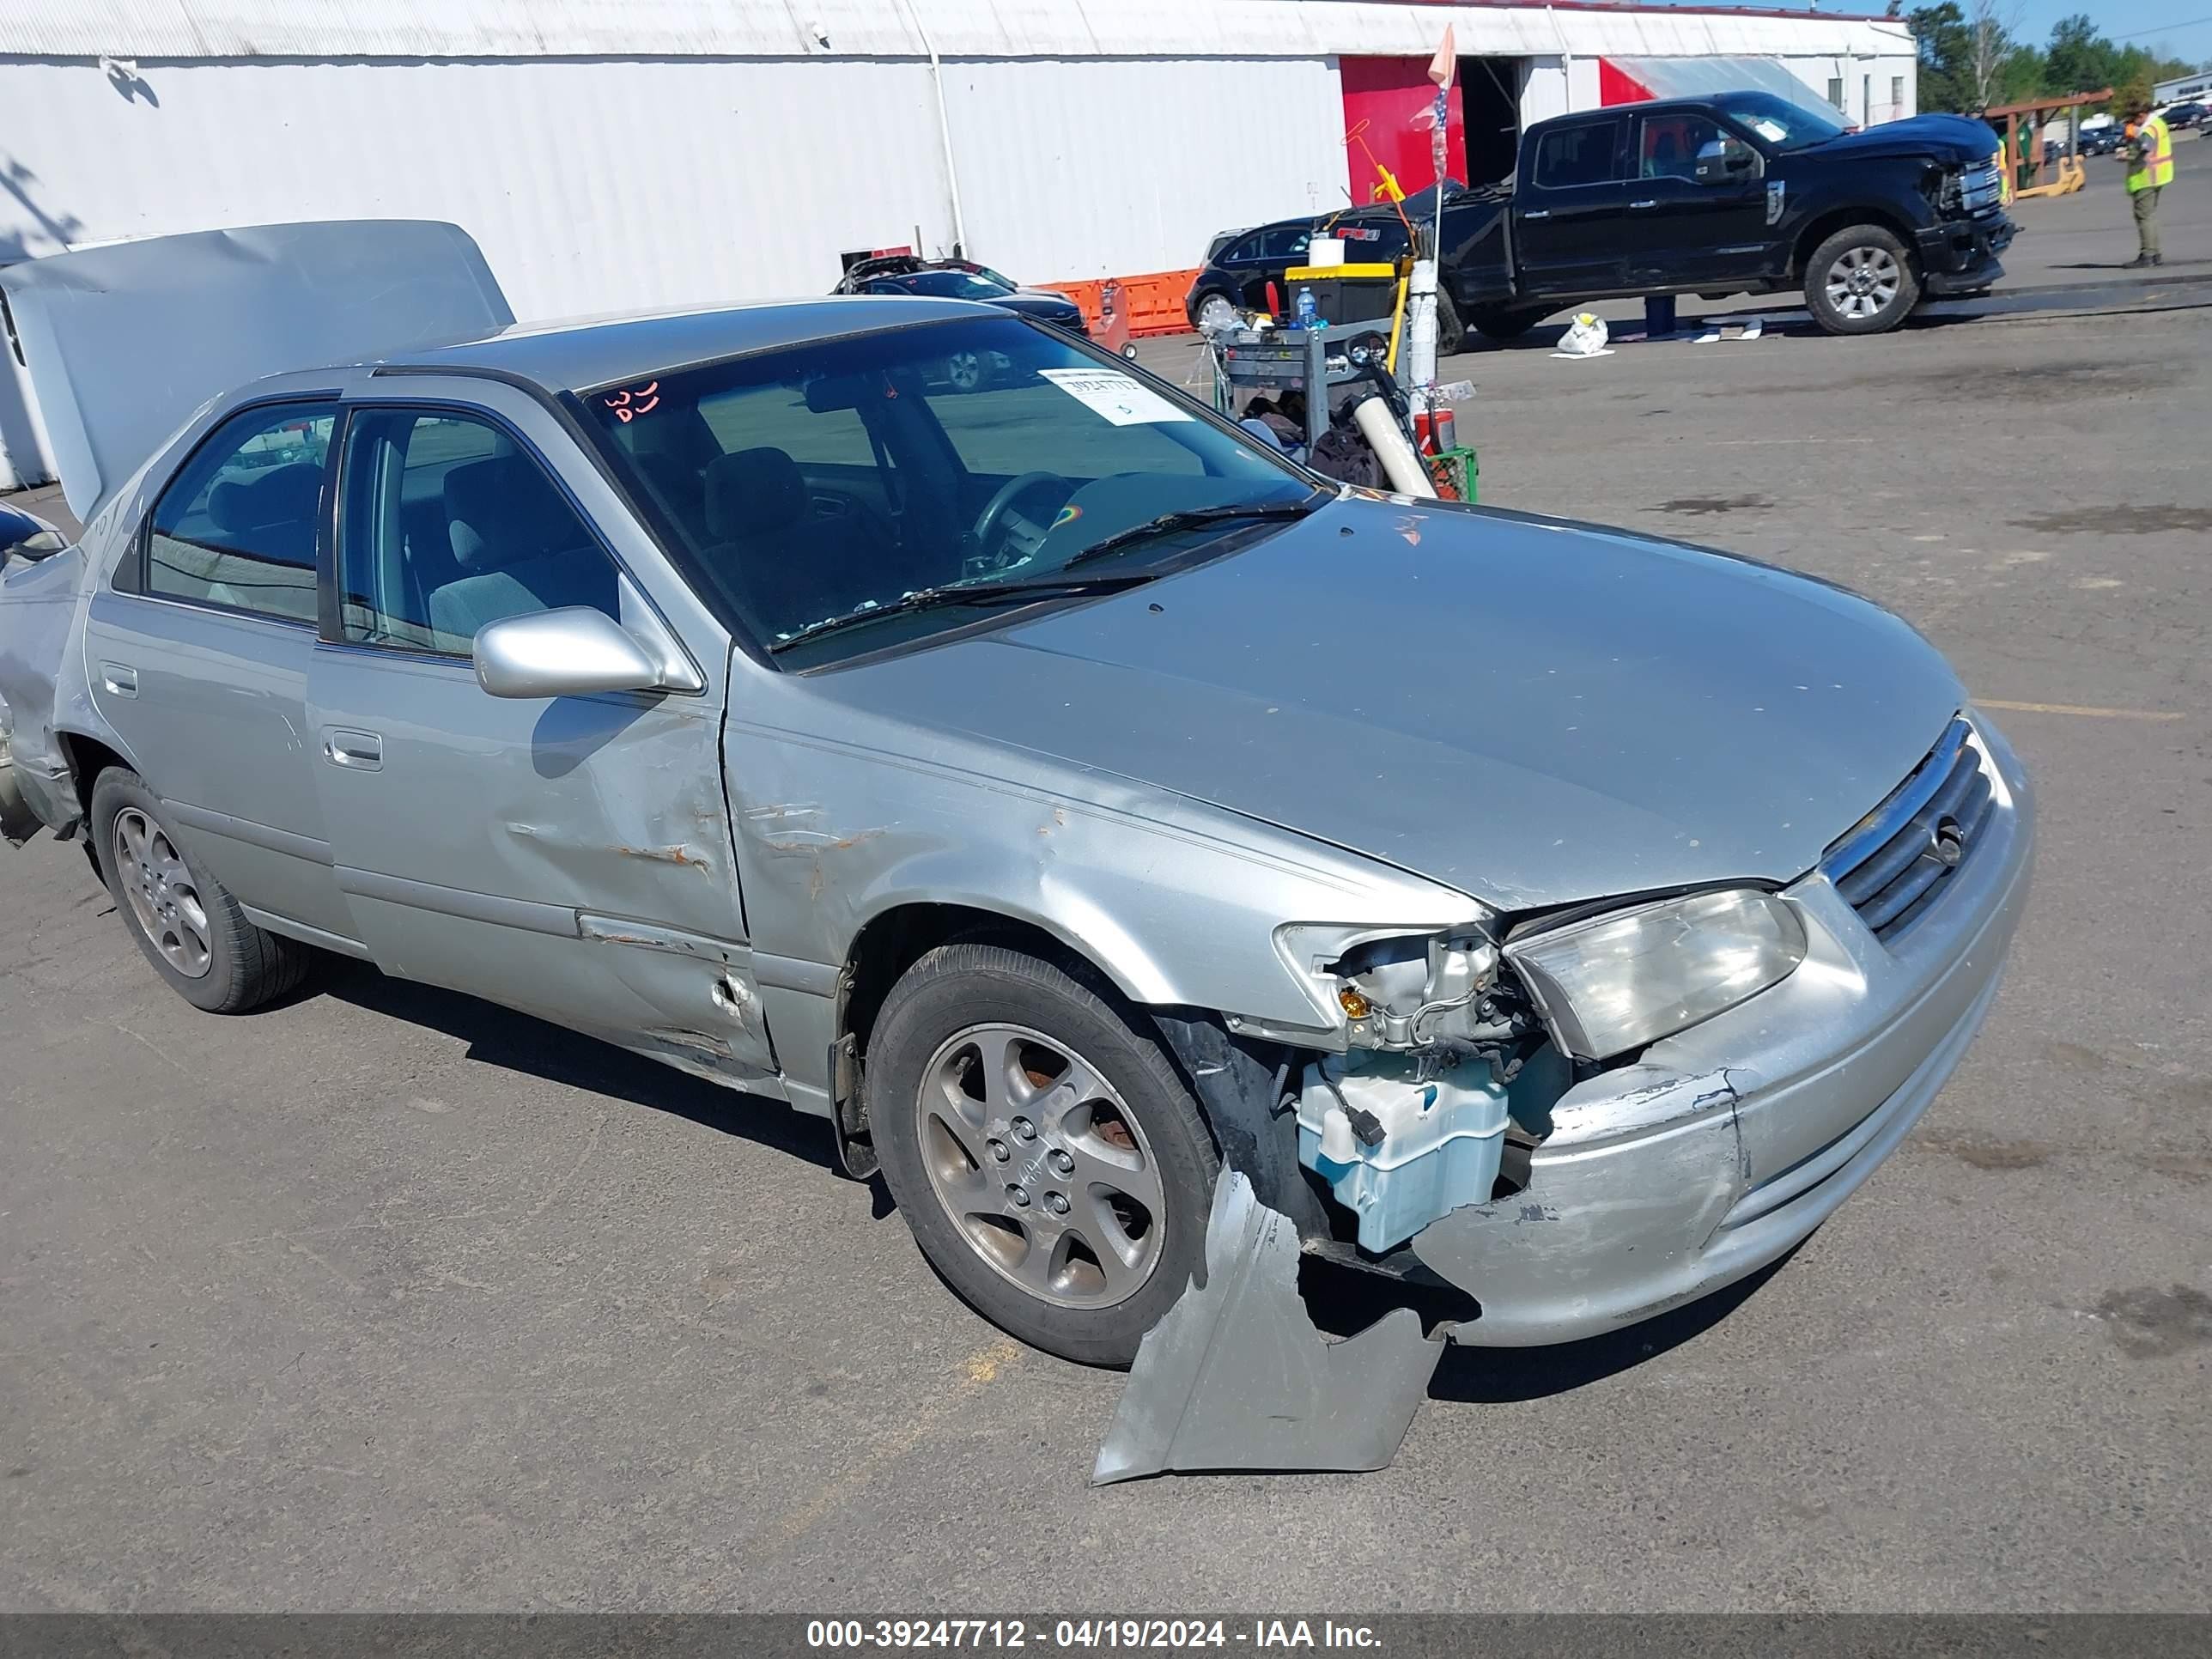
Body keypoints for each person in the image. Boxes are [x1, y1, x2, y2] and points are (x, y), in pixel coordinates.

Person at [2120, 93, 2174, 269]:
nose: (2132, 122)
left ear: (2141, 115)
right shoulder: (2158, 124)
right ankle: (2154, 253)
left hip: (2147, 177)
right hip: (2158, 175)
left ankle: (2148, 254)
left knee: (2144, 216)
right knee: (2149, 215)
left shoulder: (2149, 129)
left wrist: (2127, 155)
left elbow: (2145, 148)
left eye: (2133, 118)